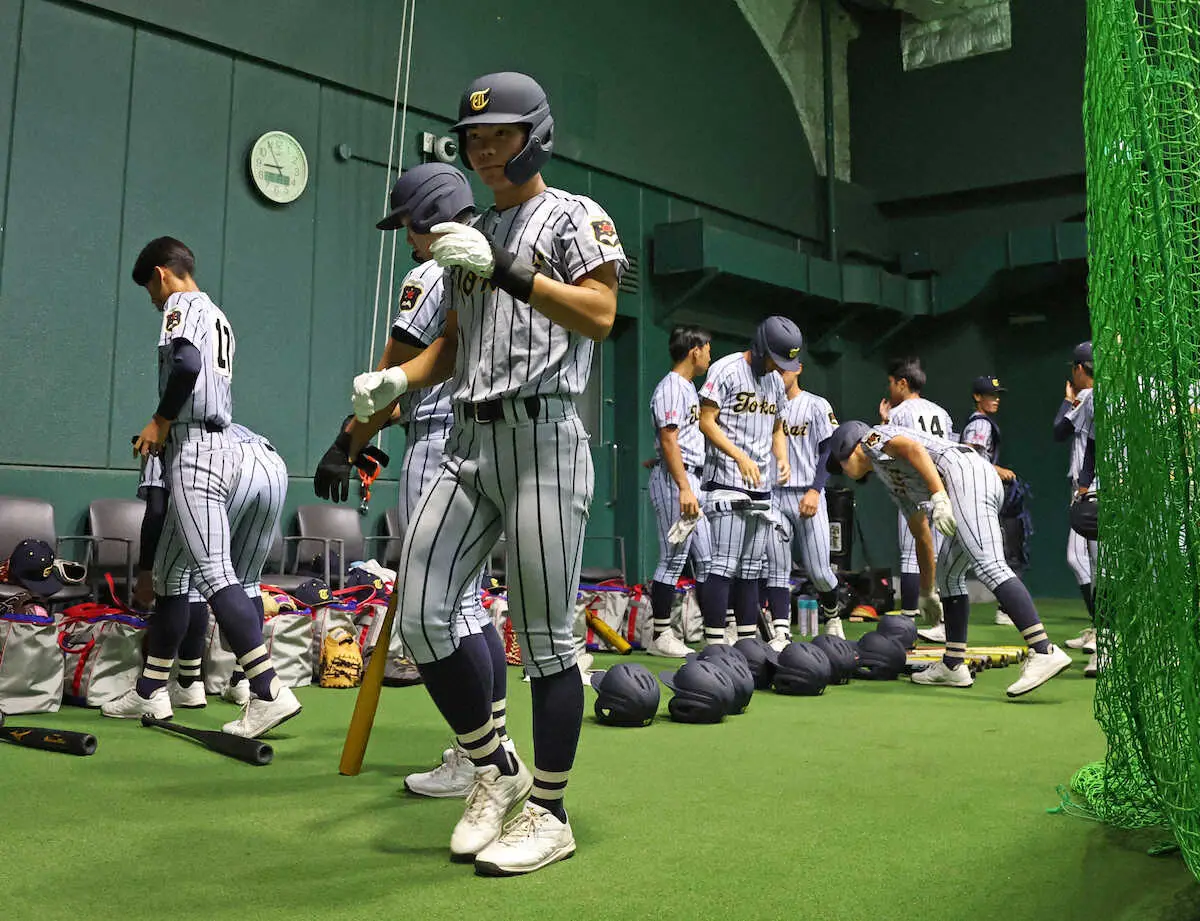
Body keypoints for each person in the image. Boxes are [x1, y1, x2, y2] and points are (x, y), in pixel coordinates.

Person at [349, 72, 627, 876]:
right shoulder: (470, 235)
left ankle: (551, 808)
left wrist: (505, 268)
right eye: (475, 138)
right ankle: (494, 766)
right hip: (470, 442)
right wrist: (399, 382)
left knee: (545, 639)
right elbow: (458, 347)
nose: (487, 148)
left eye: (502, 134)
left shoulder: (575, 216)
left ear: (535, 134)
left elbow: (602, 316)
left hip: (543, 440)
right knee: (425, 613)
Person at [318, 162, 517, 798]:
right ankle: (495, 741)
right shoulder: (487, 268)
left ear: (430, 213)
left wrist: (345, 444)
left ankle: (478, 756)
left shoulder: (431, 272)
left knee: (441, 612)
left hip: (440, 447)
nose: (406, 236)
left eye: (407, 222)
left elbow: (390, 378)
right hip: (489, 444)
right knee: (469, 605)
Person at [119, 237, 300, 738]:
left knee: (217, 577)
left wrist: (158, 420)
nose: (155, 301)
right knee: (173, 576)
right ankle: (150, 691)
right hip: (228, 446)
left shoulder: (179, 304)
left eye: (151, 291)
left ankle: (266, 689)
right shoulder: (218, 314)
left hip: (196, 448)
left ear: (161, 275)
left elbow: (186, 365)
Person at [823, 420, 1072, 697]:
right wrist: (928, 590)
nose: (843, 470)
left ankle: (1043, 650)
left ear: (848, 447)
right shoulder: (888, 476)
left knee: (989, 565)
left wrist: (940, 497)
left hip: (963, 476)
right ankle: (953, 665)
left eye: (840, 463)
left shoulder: (870, 439)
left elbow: (914, 449)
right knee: (949, 576)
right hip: (965, 481)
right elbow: (921, 534)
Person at [106, 424, 289, 717]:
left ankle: (158, 688)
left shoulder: (160, 434)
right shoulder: (214, 417)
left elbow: (155, 512)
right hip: (271, 462)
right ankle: (241, 683)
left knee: (176, 578)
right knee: (248, 581)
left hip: (223, 465)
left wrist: (145, 573)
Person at [696, 316, 794, 647]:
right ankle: (714, 644)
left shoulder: (776, 382)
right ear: (761, 347)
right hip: (726, 478)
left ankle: (748, 645)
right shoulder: (725, 369)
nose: (779, 368)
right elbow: (705, 422)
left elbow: (778, 426)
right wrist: (739, 456)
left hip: (761, 484)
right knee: (723, 565)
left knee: (752, 569)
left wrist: (782, 457)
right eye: (776, 359)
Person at [763, 365, 843, 649]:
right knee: (777, 567)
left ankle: (832, 615)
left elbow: (830, 452)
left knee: (820, 571)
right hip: (773, 495)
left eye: (784, 369)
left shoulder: (816, 405)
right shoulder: (765, 405)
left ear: (798, 369)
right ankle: (781, 631)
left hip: (808, 495)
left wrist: (815, 489)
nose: (778, 374)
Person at [645, 325, 713, 658]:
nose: (709, 355)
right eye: (707, 348)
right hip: (679, 483)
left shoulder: (686, 388)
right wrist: (683, 485)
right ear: (694, 350)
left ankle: (715, 632)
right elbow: (670, 439)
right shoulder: (671, 387)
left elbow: (673, 439)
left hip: (686, 479)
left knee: (708, 559)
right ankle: (660, 635)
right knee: (672, 560)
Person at [879, 357, 954, 641]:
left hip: (914, 489)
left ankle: (908, 621)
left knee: (912, 556)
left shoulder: (900, 413)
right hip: (942, 490)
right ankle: (944, 623)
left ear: (902, 383)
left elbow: (893, 451)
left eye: (891, 382)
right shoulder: (941, 412)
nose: (889, 388)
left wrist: (885, 423)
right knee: (941, 558)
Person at [960, 375, 1020, 626]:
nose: (995, 399)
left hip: (973, 492)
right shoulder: (981, 424)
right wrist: (998, 470)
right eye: (989, 395)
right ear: (977, 397)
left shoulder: (981, 422)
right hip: (977, 493)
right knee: (1001, 552)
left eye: (997, 395)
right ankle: (1007, 609)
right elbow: (970, 455)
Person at [1054, 341, 1099, 664]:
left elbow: (1059, 431)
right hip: (1089, 486)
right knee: (1086, 560)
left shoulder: (1087, 397)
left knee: (1086, 560)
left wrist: (1067, 399)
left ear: (1080, 370)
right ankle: (1102, 628)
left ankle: (1105, 630)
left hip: (1096, 490)